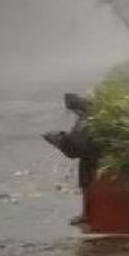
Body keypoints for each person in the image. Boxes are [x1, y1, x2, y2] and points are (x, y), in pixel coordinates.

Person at [43, 93, 99, 226]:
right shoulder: (90, 115)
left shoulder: (87, 120)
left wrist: (60, 140)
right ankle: (87, 213)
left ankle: (87, 214)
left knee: (87, 185)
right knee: (87, 185)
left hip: (92, 158)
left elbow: (77, 147)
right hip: (93, 155)